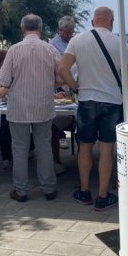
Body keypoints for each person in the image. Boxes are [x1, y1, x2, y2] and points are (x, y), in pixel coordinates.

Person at [58, 7, 128, 211]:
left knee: (84, 146)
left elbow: (62, 69)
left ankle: (84, 191)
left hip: (86, 100)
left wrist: (75, 87)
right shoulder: (119, 42)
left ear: (93, 22)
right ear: (111, 22)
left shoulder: (77, 40)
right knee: (106, 149)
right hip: (112, 101)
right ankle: (102, 196)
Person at [0, 14, 62, 202]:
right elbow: (61, 77)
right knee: (44, 147)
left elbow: (3, 80)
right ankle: (49, 188)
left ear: (23, 29)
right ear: (41, 28)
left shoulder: (14, 50)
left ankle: (21, 190)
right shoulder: (50, 49)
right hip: (43, 105)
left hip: (18, 106)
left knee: (20, 149)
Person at [49, 15, 77, 157]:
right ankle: (60, 138)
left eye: (70, 32)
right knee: (59, 116)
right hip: (60, 83)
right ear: (60, 30)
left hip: (73, 82)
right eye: (65, 32)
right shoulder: (53, 44)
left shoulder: (73, 41)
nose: (68, 35)